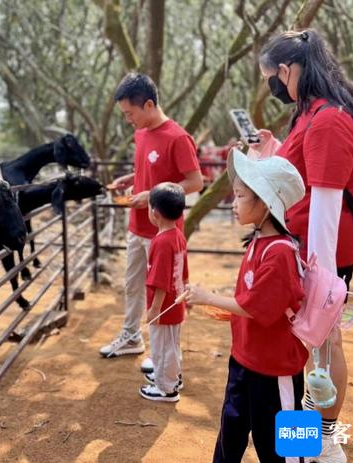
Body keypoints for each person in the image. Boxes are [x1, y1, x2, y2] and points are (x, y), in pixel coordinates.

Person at [255, 29, 353, 463]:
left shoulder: (330, 119)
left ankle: (324, 439)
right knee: (306, 344)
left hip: (321, 254)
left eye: (274, 78)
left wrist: (316, 276)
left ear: (287, 70)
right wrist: (270, 150)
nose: (275, 87)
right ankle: (304, 441)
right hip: (303, 249)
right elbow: (294, 175)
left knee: (325, 341)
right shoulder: (311, 113)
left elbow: (325, 201)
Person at [185, 149, 307, 462]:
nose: (234, 204)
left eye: (240, 196)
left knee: (288, 448)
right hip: (245, 357)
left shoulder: (280, 253)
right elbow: (251, 301)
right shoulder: (259, 242)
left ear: (265, 204)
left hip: (276, 366)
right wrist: (229, 307)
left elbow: (255, 306)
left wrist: (207, 297)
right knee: (231, 433)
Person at [99, 73, 203, 375]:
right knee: (132, 286)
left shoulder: (178, 137)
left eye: (130, 113)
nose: (128, 119)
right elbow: (147, 168)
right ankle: (131, 337)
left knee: (167, 291)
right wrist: (130, 179)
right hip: (137, 225)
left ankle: (166, 357)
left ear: (148, 104)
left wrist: (154, 195)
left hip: (165, 232)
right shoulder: (141, 133)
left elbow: (195, 182)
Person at [139, 182, 188, 402]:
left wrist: (154, 310)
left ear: (155, 213)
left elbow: (160, 281)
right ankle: (172, 378)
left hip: (164, 308)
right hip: (176, 303)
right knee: (172, 346)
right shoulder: (177, 235)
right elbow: (183, 269)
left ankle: (166, 388)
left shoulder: (161, 242)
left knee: (161, 349)